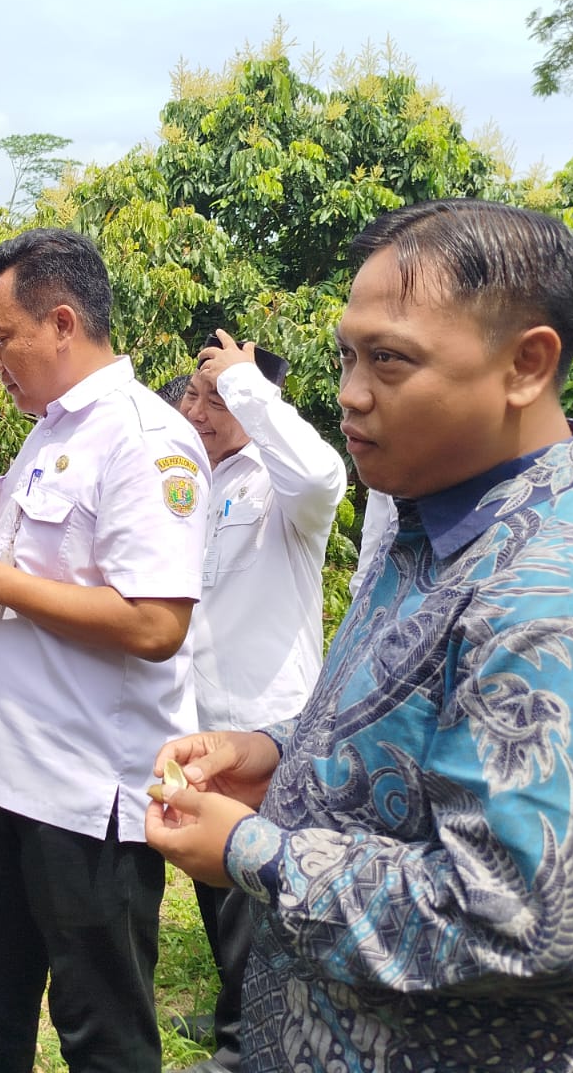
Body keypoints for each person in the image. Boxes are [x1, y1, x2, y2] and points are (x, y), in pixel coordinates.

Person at [145, 199, 573, 1072]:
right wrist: (278, 749)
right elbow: (425, 722)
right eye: (347, 354)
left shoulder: (557, 612)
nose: (349, 393)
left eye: (389, 360)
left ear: (526, 365)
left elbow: (517, 922)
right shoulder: (438, 519)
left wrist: (250, 851)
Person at [0, 227, 210, 1073]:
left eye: (3, 337)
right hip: (6, 774)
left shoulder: (146, 440)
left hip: (85, 795)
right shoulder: (51, 431)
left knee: (99, 1022)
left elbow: (155, 624)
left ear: (63, 323)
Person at [165, 332, 348, 1073]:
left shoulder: (284, 489)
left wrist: (246, 382)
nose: (199, 411)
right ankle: (234, 1013)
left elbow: (322, 474)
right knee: (217, 881)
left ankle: (249, 1047)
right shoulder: (178, 480)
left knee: (262, 890)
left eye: (218, 399)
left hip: (268, 724)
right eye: (192, 394)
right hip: (193, 716)